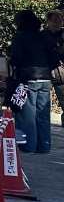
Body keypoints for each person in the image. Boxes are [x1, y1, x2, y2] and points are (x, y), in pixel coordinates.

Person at [8, 9, 56, 153]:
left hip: (27, 78)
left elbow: (16, 58)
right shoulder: (43, 36)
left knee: (26, 115)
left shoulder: (19, 36)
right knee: (43, 115)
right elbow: (53, 59)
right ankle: (44, 146)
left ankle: (27, 146)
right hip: (45, 78)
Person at [43, 10, 64, 129]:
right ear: (48, 21)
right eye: (55, 21)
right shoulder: (42, 35)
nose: (58, 24)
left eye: (60, 21)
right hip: (45, 71)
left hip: (61, 72)